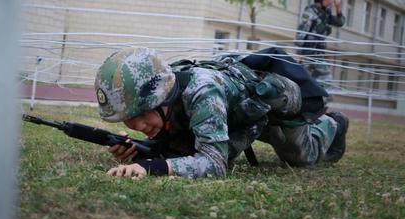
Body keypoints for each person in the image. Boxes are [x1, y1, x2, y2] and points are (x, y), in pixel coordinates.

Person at [94, 47, 349, 178]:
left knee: (303, 157)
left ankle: (333, 124)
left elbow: (214, 164)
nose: (137, 125)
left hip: (268, 108)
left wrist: (152, 167)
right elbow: (184, 141)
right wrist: (142, 150)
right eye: (129, 119)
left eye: (141, 115)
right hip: (234, 119)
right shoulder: (162, 92)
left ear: (162, 98)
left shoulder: (202, 91)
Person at [295, 0, 345, 83]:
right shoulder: (310, 12)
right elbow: (301, 34)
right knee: (302, 83)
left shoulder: (326, 14)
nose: (331, 1)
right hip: (307, 56)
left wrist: (338, 9)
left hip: (319, 56)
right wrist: (299, 53)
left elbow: (340, 23)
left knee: (326, 83)